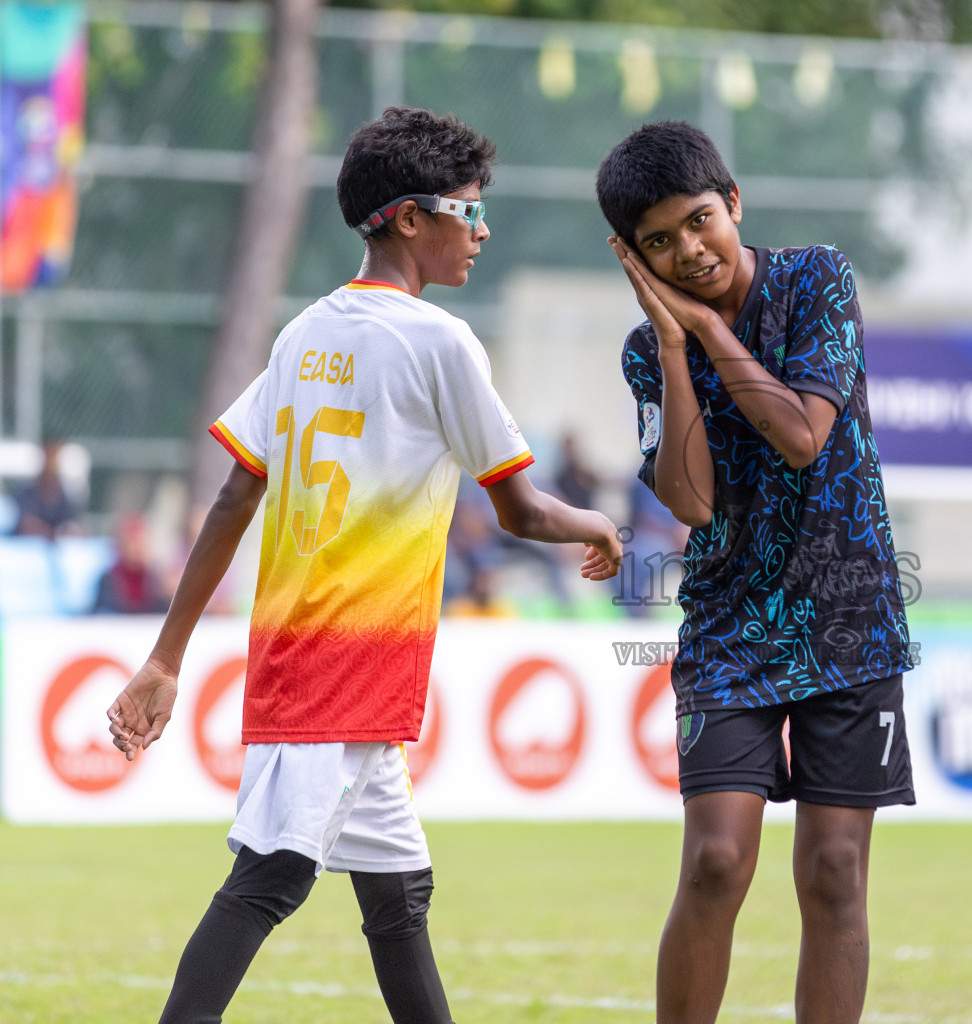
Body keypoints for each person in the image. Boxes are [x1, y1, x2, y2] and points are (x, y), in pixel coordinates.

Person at [105, 106, 622, 1024]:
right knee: (270, 877)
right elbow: (518, 507)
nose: (481, 229)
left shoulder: (303, 334)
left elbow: (235, 500)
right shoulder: (440, 342)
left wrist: (165, 658)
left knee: (398, 897)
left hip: (314, 662)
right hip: (342, 669)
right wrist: (597, 524)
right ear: (410, 217)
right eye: (468, 209)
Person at [597, 121, 915, 1024]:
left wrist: (705, 327)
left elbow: (804, 436)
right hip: (731, 626)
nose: (688, 251)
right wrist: (671, 347)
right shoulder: (642, 350)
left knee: (834, 871)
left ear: (732, 203)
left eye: (700, 221)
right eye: (659, 242)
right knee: (715, 862)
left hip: (851, 616)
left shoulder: (818, 278)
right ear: (633, 254)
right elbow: (690, 504)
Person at [92, 511, 171, 614]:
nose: (138, 548)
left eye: (141, 542)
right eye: (132, 543)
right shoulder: (109, 579)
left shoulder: (156, 580)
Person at [12, 438, 79, 539]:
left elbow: (74, 526)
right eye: (49, 455)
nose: (51, 462)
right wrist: (51, 534)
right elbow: (26, 524)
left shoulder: (68, 494)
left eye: (55, 456)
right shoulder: (26, 492)